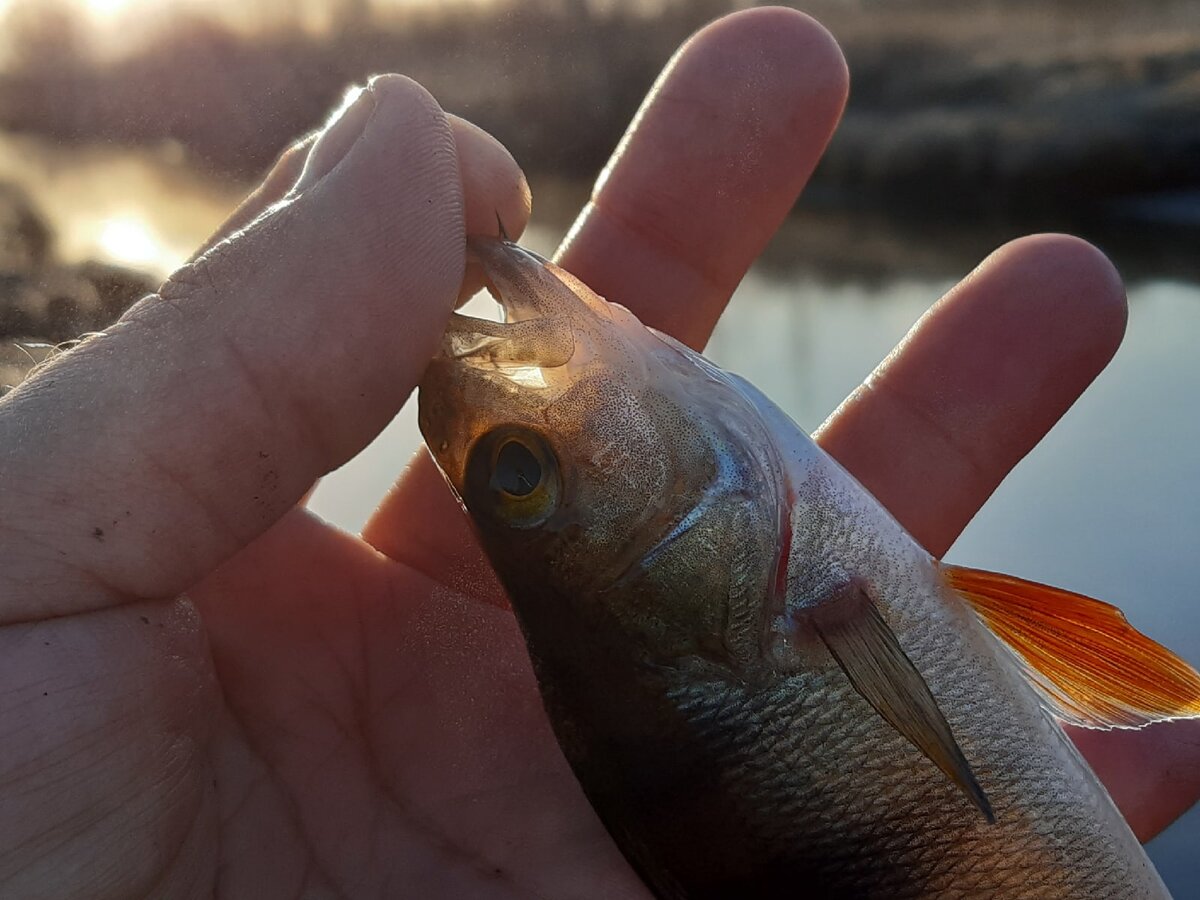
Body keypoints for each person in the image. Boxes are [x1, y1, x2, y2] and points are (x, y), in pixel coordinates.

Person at [0, 8, 1195, 897]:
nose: (517, 434)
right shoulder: (830, 600)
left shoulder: (825, 596)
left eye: (514, 474)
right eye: (524, 476)